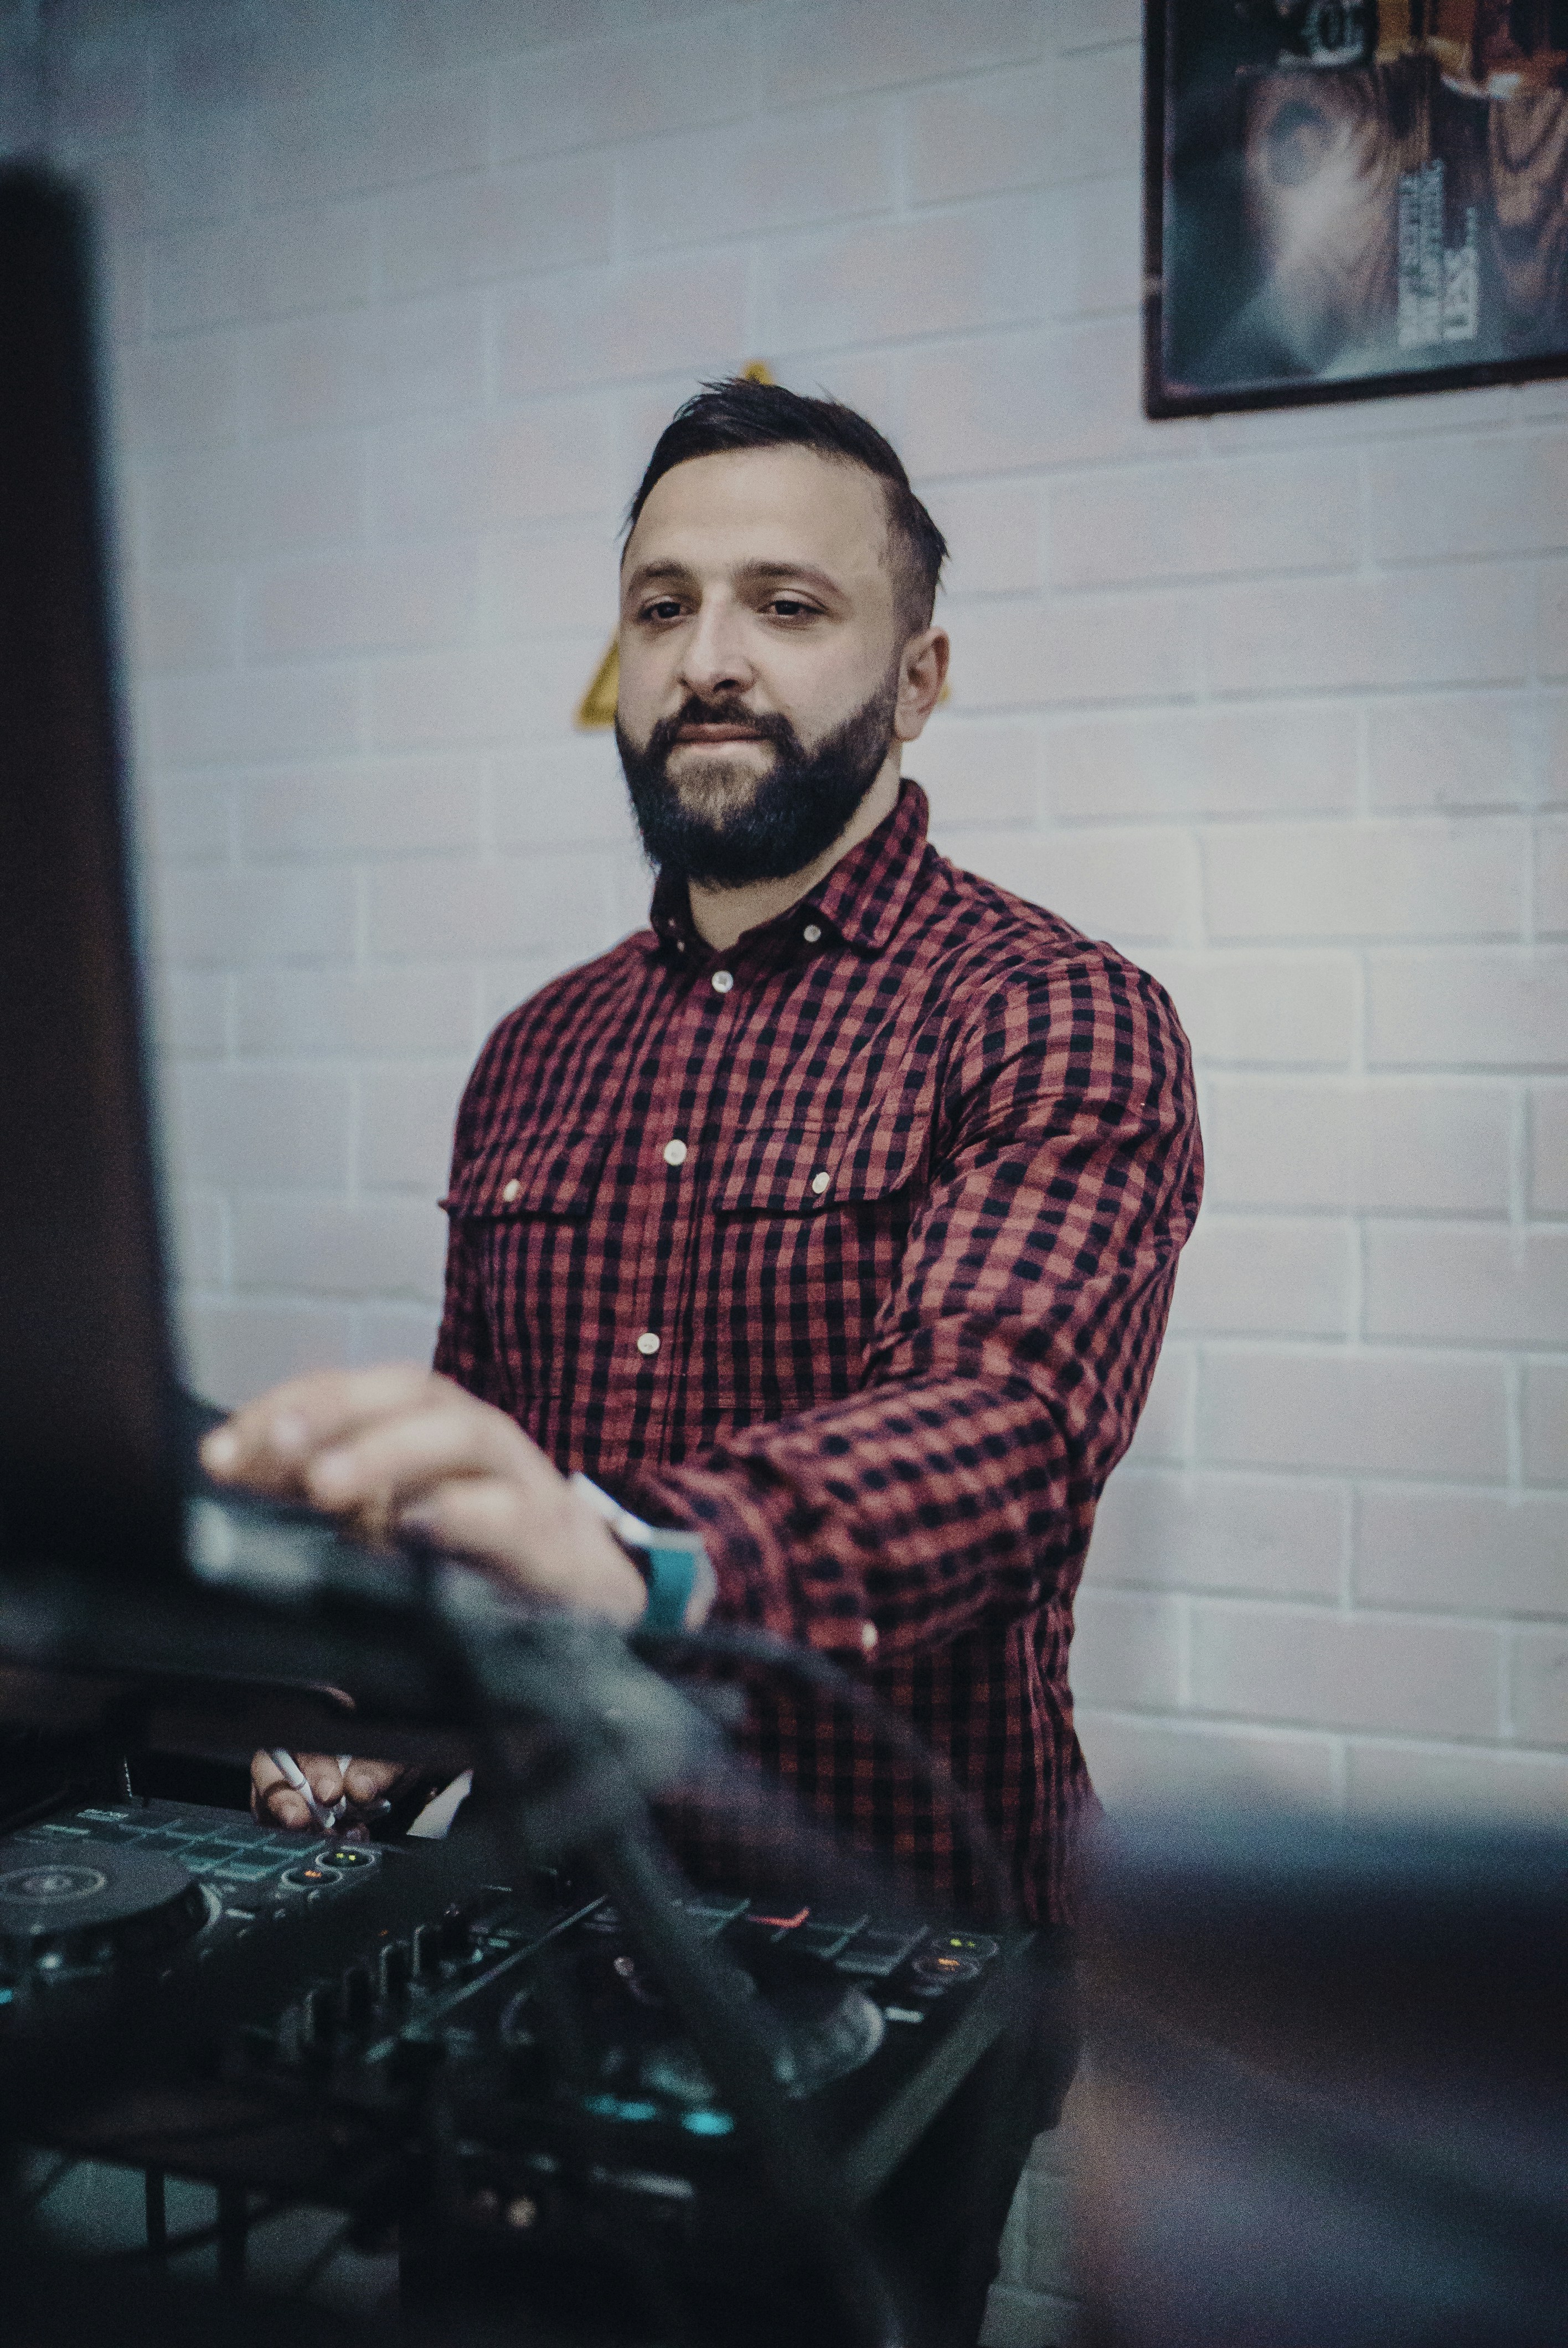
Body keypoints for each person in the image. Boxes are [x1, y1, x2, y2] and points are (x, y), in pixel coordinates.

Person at [205, 379, 1202, 2344]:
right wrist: (382, 1682)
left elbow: (1002, 1426)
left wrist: (645, 1558)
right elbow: (483, 1473)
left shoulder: (1058, 1016)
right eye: (660, 607)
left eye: (784, 604)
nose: (710, 657)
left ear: (916, 679)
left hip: (900, 1924)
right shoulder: (536, 1050)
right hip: (544, 1913)